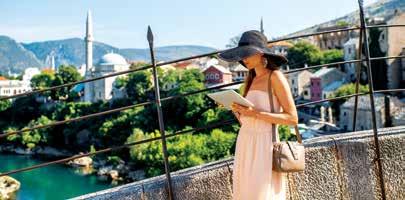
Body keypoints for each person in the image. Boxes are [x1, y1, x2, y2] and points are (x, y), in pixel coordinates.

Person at [218, 30, 298, 200]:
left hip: (264, 143)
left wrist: (254, 113)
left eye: (246, 54)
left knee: (260, 193)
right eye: (241, 56)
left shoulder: (274, 77)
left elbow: (292, 118)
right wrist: (235, 109)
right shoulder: (250, 79)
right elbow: (246, 121)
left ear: (260, 53)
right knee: (245, 192)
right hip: (245, 141)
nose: (243, 59)